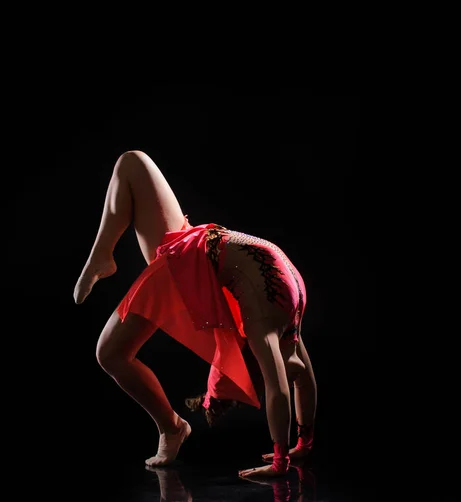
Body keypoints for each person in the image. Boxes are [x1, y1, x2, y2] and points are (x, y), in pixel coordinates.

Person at [73, 150, 317, 477]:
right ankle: (102, 254)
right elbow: (289, 384)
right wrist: (292, 453)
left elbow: (294, 384)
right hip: (192, 243)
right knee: (132, 163)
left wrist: (293, 453)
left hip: (193, 258)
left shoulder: (281, 319)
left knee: (109, 353)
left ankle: (170, 428)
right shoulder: (275, 327)